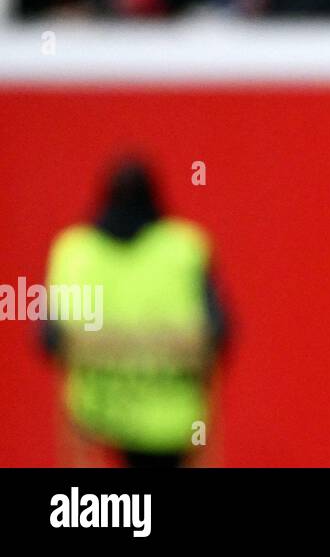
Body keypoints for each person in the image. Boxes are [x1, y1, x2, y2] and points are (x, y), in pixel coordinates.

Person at [43, 158, 228, 467]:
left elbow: (49, 340)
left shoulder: (74, 252)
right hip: (170, 418)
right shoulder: (184, 249)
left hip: (97, 411)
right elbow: (219, 335)